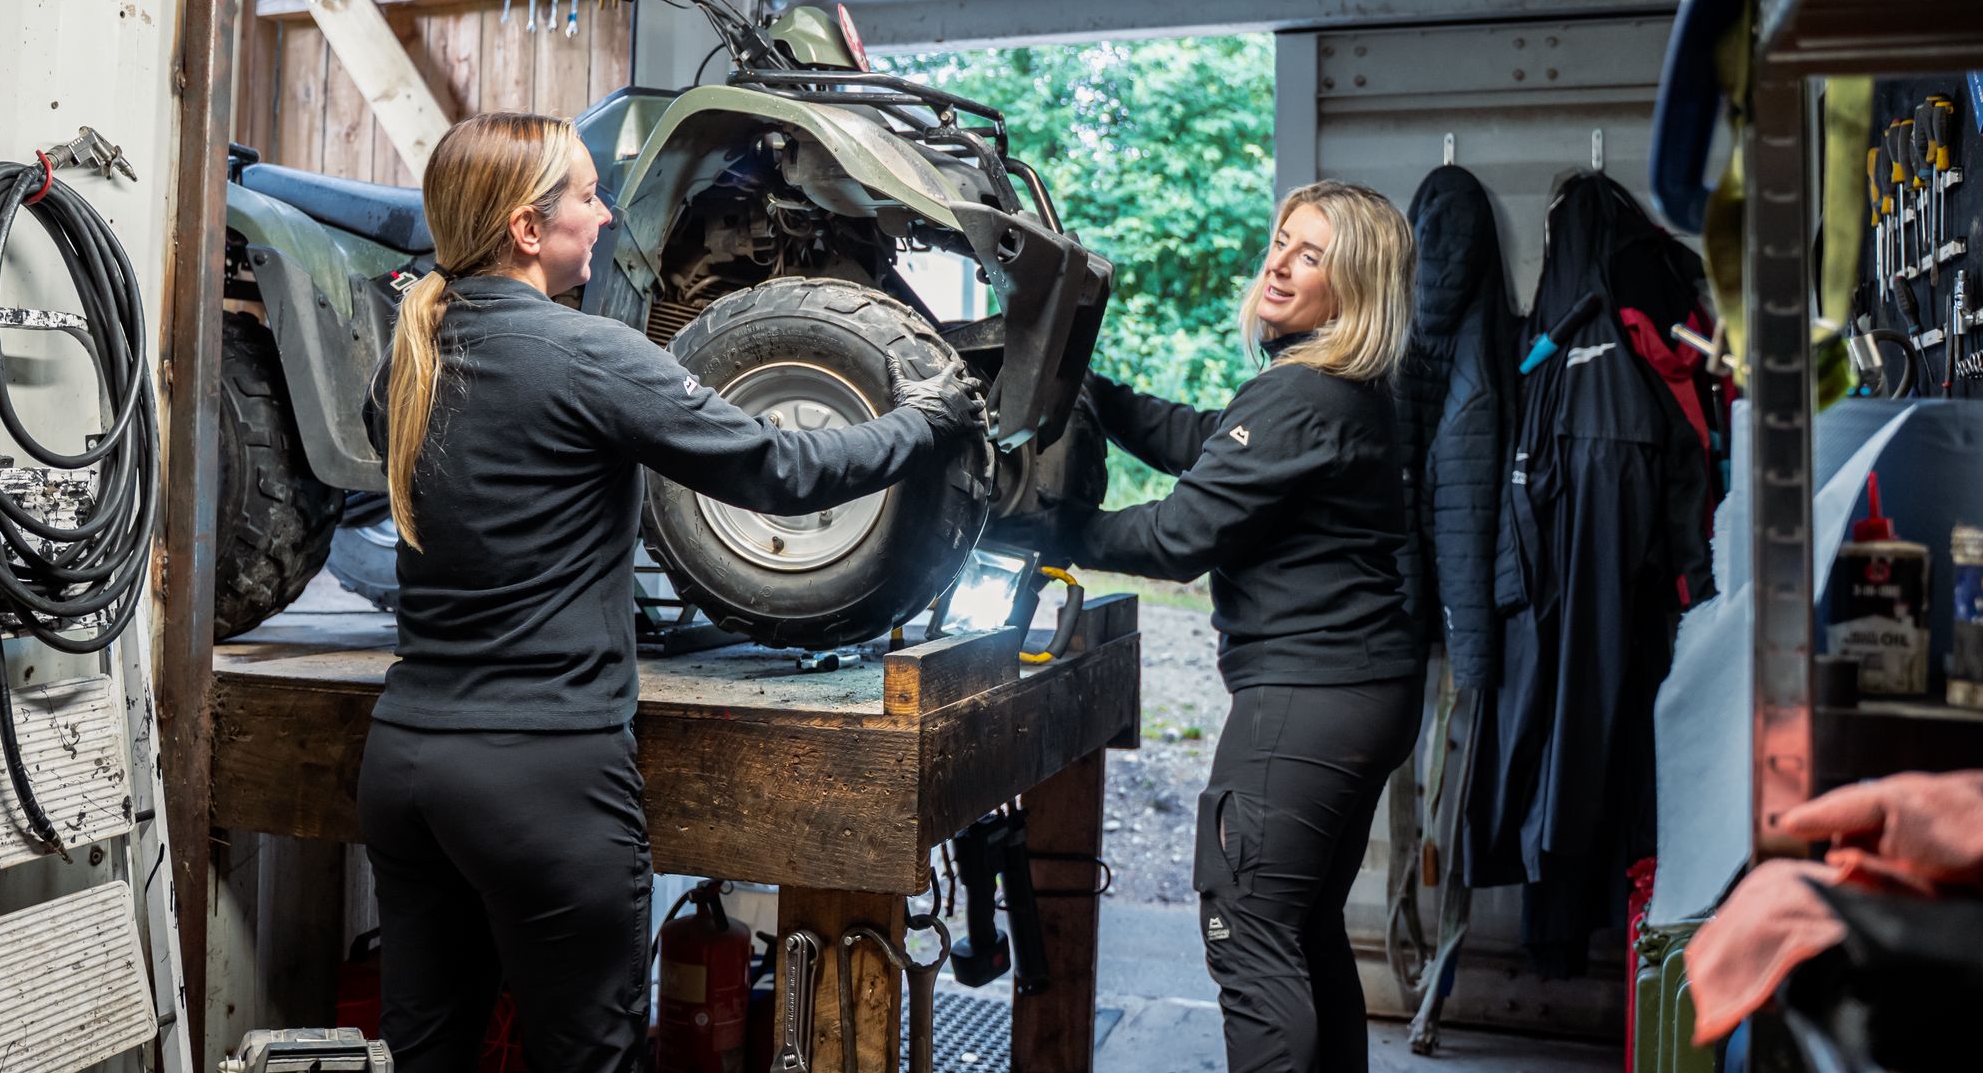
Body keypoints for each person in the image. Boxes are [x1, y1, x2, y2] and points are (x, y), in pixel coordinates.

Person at [355, 112, 982, 1073]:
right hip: (541, 777)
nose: (607, 216)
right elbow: (783, 469)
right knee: (593, 1060)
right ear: (528, 229)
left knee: (427, 1055)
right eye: (586, 195)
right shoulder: (588, 355)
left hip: (405, 768)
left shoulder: (414, 354)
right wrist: (924, 422)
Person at [1045, 180, 1421, 1072]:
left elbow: (1179, 536)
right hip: (1361, 689)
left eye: (1313, 255)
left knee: (1245, 929)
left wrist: (1043, 532)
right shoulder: (1329, 391)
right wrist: (1089, 389)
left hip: (1308, 697)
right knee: (1300, 928)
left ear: (1356, 288)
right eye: (1283, 242)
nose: (1281, 265)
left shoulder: (1307, 396)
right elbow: (1206, 438)